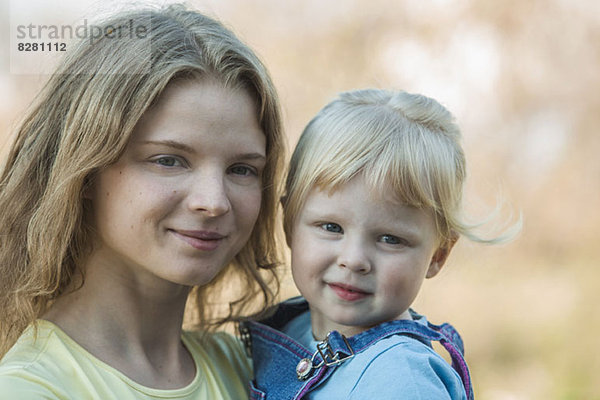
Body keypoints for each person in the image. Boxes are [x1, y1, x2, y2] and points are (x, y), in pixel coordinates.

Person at [0, 4, 285, 399]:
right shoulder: (31, 387)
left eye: (241, 169)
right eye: (168, 160)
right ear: (84, 169)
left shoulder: (261, 371)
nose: (214, 202)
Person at [241, 89, 519, 399]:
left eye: (390, 239)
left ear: (437, 255)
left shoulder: (403, 379)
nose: (354, 259)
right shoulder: (292, 330)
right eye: (331, 227)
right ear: (289, 224)